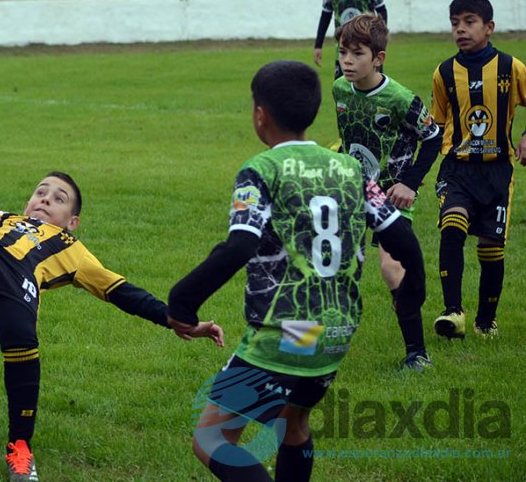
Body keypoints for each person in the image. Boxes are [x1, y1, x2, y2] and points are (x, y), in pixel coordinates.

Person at [167, 61, 427, 482]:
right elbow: (401, 237)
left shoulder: (261, 169)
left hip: (287, 334)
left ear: (259, 114)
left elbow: (240, 246)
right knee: (292, 426)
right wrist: (414, 286)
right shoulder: (351, 169)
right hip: (336, 333)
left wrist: (182, 301)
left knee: (212, 439)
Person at [0, 169, 224, 482]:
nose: (46, 199)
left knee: (23, 336)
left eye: (59, 198)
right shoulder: (0, 219)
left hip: (11, 288)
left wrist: (174, 319)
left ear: (73, 222)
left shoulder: (72, 249)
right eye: (40, 192)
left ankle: (20, 447)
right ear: (27, 203)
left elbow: (123, 292)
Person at [332, 13, 441, 370]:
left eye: (357, 53)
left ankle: (416, 352)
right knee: (335, 265)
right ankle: (319, 345)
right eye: (342, 52)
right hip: (351, 189)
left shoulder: (399, 98)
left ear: (379, 58)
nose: (347, 61)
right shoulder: (339, 88)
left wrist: (409, 181)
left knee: (391, 267)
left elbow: (433, 137)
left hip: (390, 195)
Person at [430, 0, 526, 340]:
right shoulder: (443, 73)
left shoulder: (511, 68)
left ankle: (486, 321)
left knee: (490, 248)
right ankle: (453, 311)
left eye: (469, 21)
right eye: (455, 23)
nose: (460, 29)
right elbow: (436, 127)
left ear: (489, 27)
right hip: (457, 169)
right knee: (453, 224)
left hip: (498, 172)